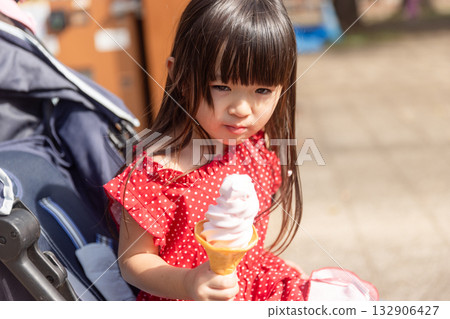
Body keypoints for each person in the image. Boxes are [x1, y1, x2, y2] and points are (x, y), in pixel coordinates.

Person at [104, 0, 377, 301]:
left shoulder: (253, 149)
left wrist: (268, 265)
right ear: (179, 75)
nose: (242, 109)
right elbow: (133, 262)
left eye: (262, 91)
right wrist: (187, 283)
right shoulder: (153, 176)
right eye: (222, 86)